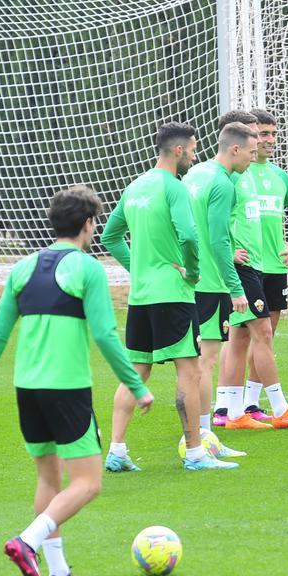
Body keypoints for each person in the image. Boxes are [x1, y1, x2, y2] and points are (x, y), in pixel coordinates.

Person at [0, 186, 155, 576]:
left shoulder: (21, 269)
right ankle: (27, 542)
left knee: (49, 479)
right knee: (88, 484)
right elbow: (104, 335)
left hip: (27, 389)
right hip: (66, 389)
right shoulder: (88, 269)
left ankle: (58, 572)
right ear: (89, 224)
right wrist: (136, 387)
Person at [102, 122, 237, 471]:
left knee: (136, 372)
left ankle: (116, 451)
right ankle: (195, 454)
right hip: (173, 294)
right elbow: (190, 237)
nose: (194, 154)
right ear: (178, 151)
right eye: (192, 148)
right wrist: (192, 273)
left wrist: (139, 268)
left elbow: (109, 235)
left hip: (141, 295)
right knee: (189, 372)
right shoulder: (174, 188)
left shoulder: (135, 186)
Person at [219, 114, 288, 430]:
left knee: (263, 334)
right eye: (263, 134)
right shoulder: (234, 174)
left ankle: (244, 405)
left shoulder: (279, 176)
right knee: (248, 335)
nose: (270, 139)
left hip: (273, 265)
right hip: (247, 266)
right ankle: (235, 407)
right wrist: (227, 250)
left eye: (273, 133)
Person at [182, 119, 256, 459]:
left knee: (192, 361)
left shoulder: (196, 173)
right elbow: (218, 239)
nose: (253, 159)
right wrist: (235, 287)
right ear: (235, 149)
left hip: (190, 282)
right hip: (211, 284)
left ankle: (196, 437)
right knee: (205, 362)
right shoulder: (223, 185)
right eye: (251, 153)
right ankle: (204, 439)